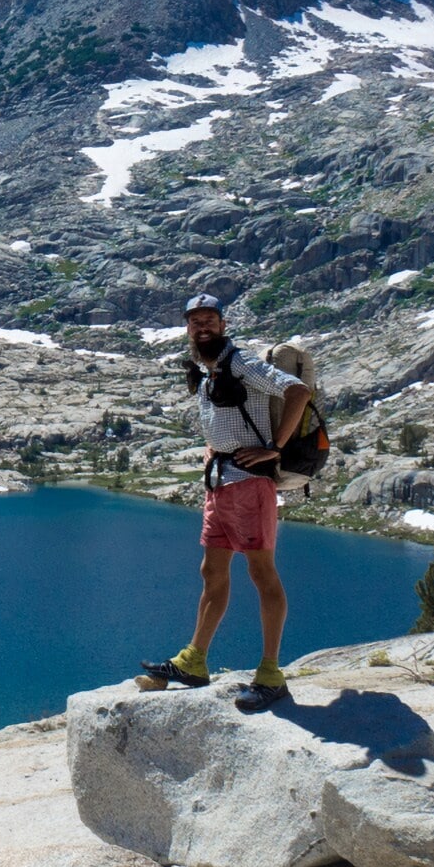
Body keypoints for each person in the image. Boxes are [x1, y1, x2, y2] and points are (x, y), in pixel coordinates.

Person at [140, 293, 311, 711]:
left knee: (261, 573)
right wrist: (213, 448)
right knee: (211, 571)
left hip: (250, 485)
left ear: (222, 323)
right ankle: (194, 662)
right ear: (187, 328)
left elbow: (298, 391)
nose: (203, 327)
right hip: (219, 484)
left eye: (209, 320)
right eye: (195, 321)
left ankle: (271, 674)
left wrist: (275, 447)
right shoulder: (205, 368)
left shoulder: (240, 362)